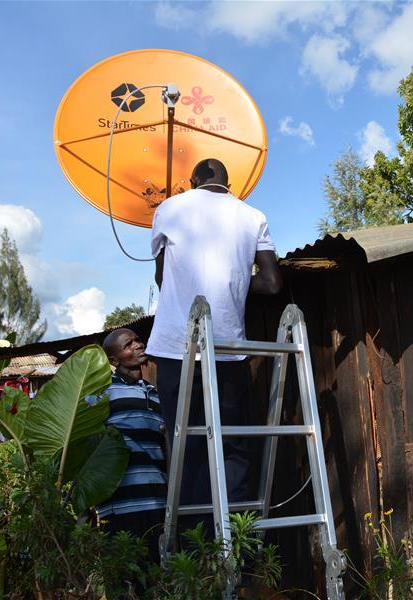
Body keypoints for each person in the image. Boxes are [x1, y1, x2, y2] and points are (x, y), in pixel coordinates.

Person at [146, 158, 282, 535]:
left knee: (185, 447)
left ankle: (195, 548)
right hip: (228, 349)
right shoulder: (252, 215)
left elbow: (160, 275)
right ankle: (236, 548)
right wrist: (235, 284)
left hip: (175, 347)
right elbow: (272, 284)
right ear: (229, 181)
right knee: (234, 447)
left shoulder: (169, 208)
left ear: (192, 181)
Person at [95, 328, 167, 562]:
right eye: (128, 345)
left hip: (157, 501)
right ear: (114, 360)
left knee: (158, 580)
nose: (138, 345)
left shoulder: (156, 393)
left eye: (138, 340)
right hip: (121, 507)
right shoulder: (102, 394)